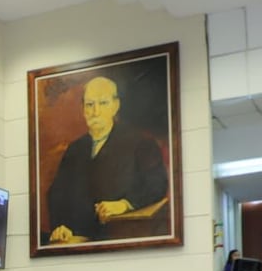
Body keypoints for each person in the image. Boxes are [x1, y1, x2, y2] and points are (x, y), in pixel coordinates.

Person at [45, 76, 169, 243]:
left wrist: (125, 204)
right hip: (76, 241)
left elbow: (157, 184)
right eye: (90, 104)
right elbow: (56, 195)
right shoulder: (75, 149)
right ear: (83, 109)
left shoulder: (140, 144)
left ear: (115, 106)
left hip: (118, 239)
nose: (95, 112)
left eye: (103, 103)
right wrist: (60, 226)